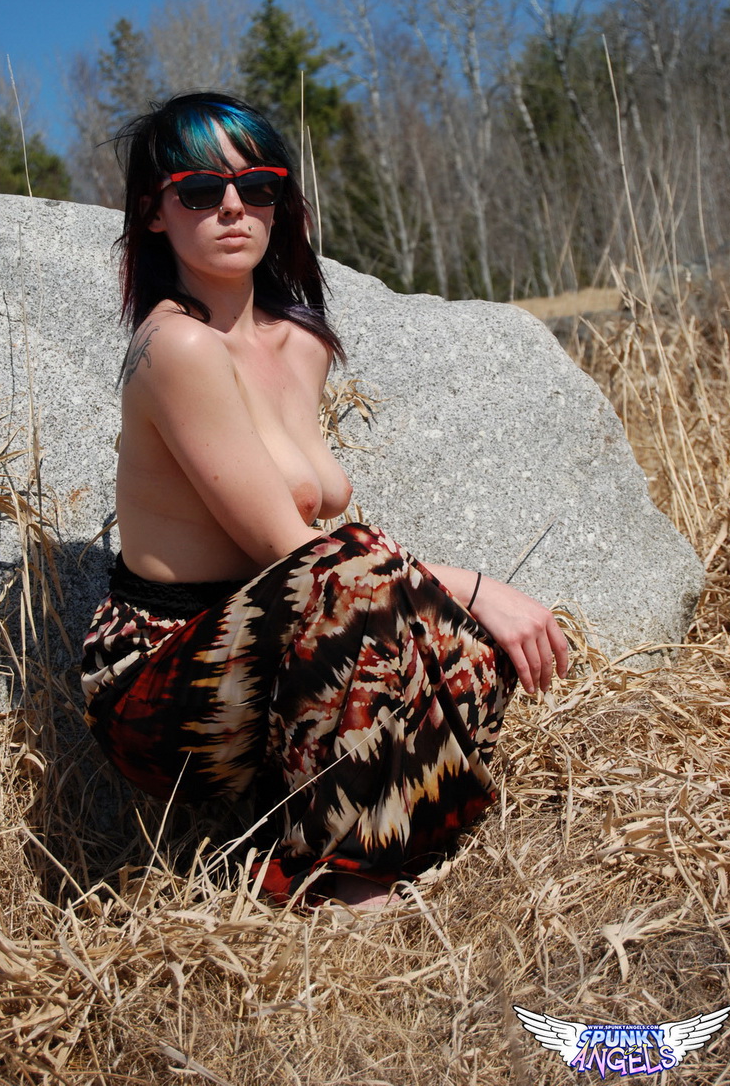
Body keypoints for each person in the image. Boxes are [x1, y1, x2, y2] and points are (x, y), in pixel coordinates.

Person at [81, 91, 568, 908]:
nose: (232, 207)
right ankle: (330, 883)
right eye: (198, 190)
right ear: (153, 214)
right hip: (160, 686)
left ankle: (385, 844)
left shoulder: (299, 341)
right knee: (370, 569)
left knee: (467, 647)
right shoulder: (177, 346)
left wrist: (451, 609)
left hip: (277, 659)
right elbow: (292, 547)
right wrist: (480, 585)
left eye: (257, 187)